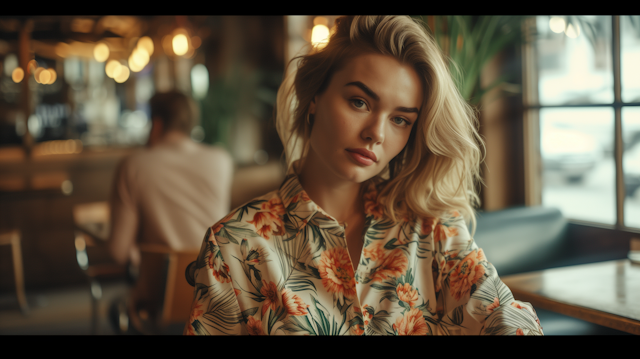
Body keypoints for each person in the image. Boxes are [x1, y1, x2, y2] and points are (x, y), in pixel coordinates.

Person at [184, 16, 543, 336]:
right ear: (314, 99)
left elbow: (505, 317)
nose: (376, 133)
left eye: (400, 119)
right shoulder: (234, 245)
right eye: (360, 102)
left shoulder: (432, 229)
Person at [107, 90, 233, 326]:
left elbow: (118, 251)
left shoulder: (133, 165)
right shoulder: (221, 160)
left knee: (117, 311)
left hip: (160, 301)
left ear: (156, 123)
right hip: (218, 294)